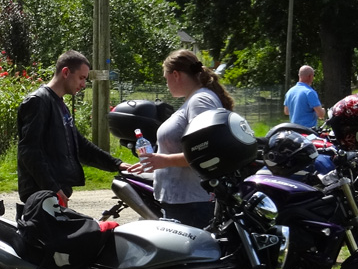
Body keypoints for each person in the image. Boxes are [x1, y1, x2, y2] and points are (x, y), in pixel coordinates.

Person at [131, 49, 235, 229]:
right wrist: (155, 161)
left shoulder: (200, 101)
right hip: (185, 201)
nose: (166, 84)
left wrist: (163, 161)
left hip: (192, 203)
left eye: (166, 78)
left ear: (176, 75)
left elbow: (206, 151)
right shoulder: (196, 99)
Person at [16, 50, 135, 203]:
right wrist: (52, 188)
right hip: (41, 195)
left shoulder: (59, 104)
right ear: (66, 72)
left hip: (52, 193)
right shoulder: (39, 101)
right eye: (81, 78)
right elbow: (29, 151)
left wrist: (117, 164)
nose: (84, 84)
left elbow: (80, 145)